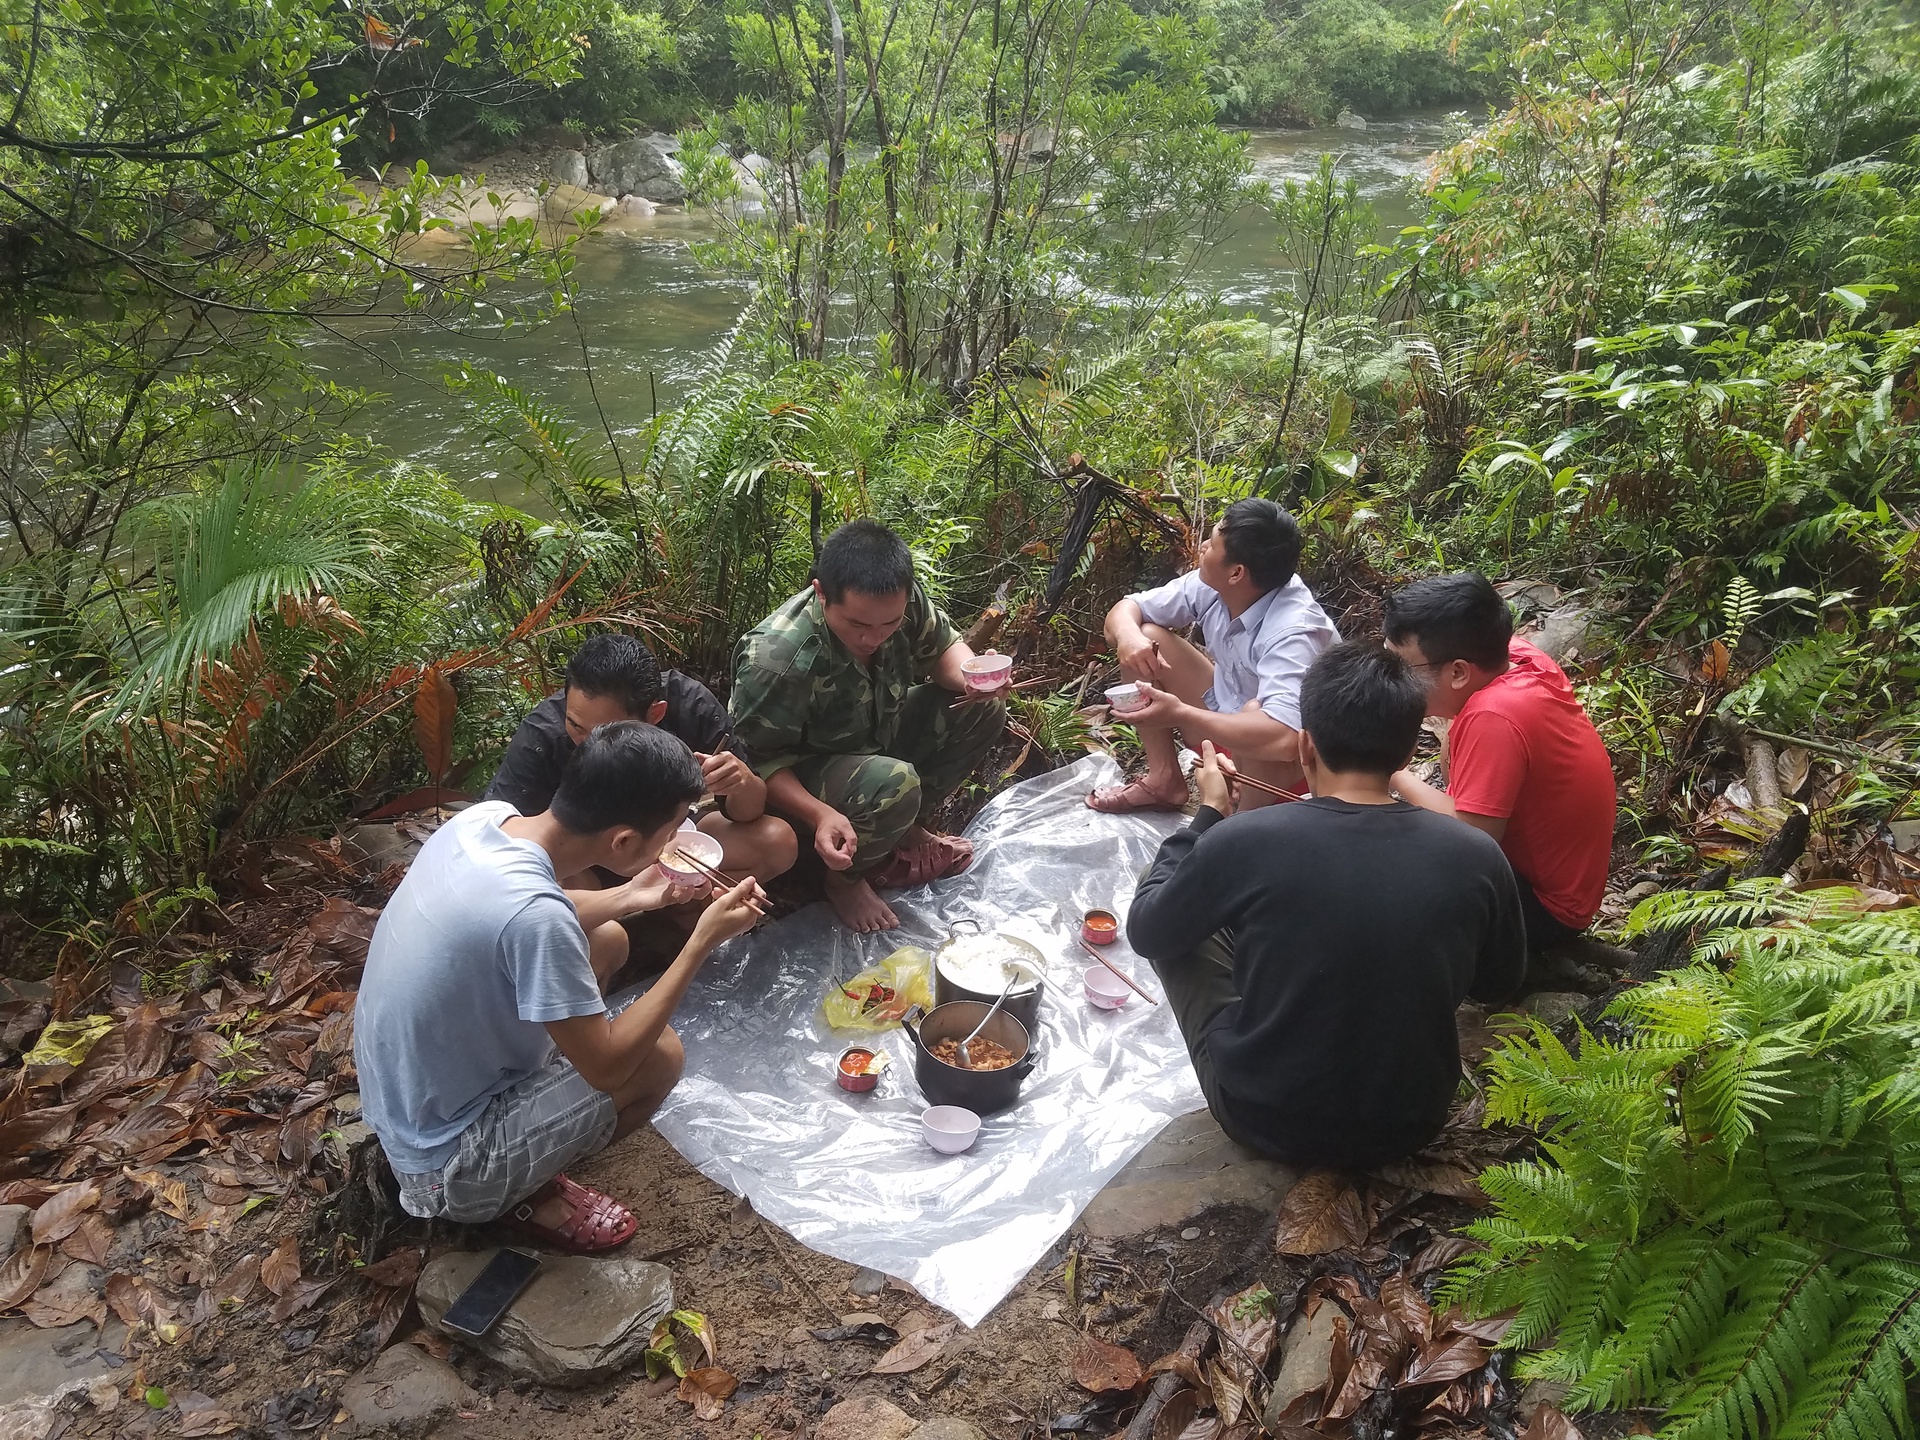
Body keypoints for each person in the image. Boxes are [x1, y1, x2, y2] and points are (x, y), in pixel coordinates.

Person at [356, 723, 767, 1251]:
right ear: (624, 840)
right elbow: (608, 1067)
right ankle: (521, 1194)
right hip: (447, 1163)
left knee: (608, 939)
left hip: (402, 1100)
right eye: (670, 833)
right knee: (657, 1056)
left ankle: (541, 1119)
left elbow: (526, 912)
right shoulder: (536, 918)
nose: (673, 844)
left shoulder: (486, 822)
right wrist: (701, 941)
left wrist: (633, 896)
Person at [1128, 642, 1525, 1168]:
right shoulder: (1476, 854)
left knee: (1167, 901)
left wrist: (1209, 814)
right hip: (1411, 1122)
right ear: (1410, 753)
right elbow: (1498, 983)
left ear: (1305, 745)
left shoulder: (1244, 840)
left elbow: (1147, 931)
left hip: (1262, 1116)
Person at [730, 519, 1008, 934]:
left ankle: (901, 826)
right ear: (821, 593)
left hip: (875, 734)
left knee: (981, 710)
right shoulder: (775, 658)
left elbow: (942, 649)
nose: (874, 638)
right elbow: (759, 763)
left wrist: (973, 677)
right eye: (858, 625)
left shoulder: (895, 599)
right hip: (806, 773)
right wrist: (820, 814)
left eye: (889, 625)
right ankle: (843, 880)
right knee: (895, 782)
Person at [1381, 573, 1618, 974]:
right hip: (1563, 882)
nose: (1390, 677)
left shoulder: (1494, 716)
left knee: (1383, 863)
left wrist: (1393, 775)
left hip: (1546, 908)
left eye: (1400, 667)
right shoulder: (1517, 657)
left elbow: (1472, 840)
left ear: (1458, 672)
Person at [484, 632, 798, 890]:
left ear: (655, 714)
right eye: (576, 726)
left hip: (669, 844)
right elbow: (505, 842)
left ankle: (681, 915)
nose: (590, 745)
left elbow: (748, 812)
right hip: (589, 863)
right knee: (565, 889)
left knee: (777, 841)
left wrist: (740, 783)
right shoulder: (543, 737)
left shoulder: (689, 706)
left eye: (608, 732)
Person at [1088, 498, 1340, 814]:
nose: (1203, 546)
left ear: (1236, 572)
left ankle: (1240, 825)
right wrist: (1128, 638)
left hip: (1300, 769)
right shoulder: (1214, 585)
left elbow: (1285, 738)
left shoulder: (1293, 630)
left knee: (1257, 711)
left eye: (1212, 542)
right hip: (1230, 728)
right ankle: (1164, 780)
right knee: (1146, 637)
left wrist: (1180, 714)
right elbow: (1127, 609)